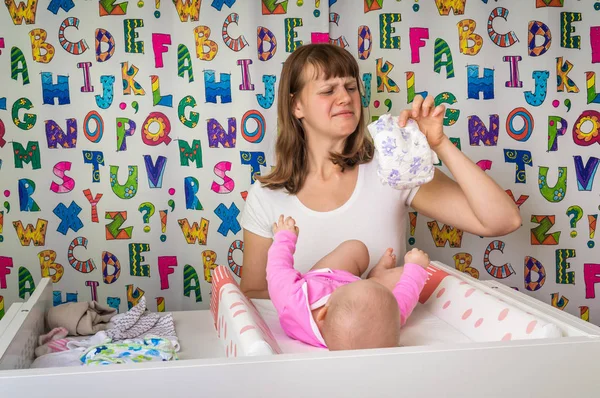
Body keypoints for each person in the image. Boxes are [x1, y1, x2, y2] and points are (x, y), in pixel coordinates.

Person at [240, 43, 521, 299]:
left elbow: (502, 221)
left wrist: (440, 144)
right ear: (296, 105)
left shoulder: (394, 166)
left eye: (351, 88)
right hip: (305, 349)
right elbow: (253, 294)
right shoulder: (267, 195)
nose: (345, 98)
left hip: (385, 344)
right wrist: (357, 290)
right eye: (328, 91)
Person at [267, 215, 429, 351]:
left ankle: (375, 280)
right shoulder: (384, 323)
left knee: (354, 249)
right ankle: (376, 279)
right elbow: (404, 298)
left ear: (324, 312)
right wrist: (416, 268)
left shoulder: (292, 299)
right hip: (355, 290)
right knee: (396, 278)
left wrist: (284, 238)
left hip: (323, 278)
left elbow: (277, 269)